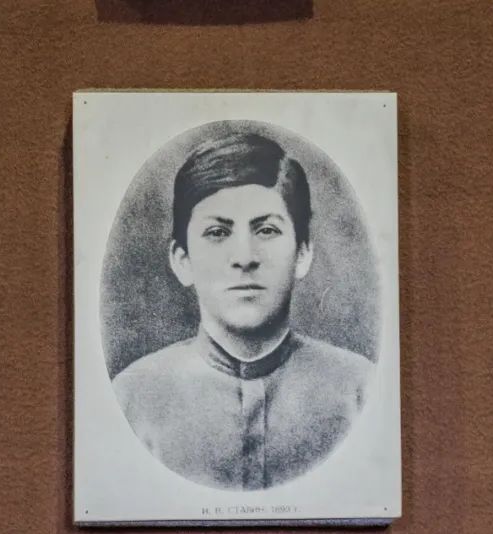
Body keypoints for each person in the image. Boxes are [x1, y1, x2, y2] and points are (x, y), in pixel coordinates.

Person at [112, 132, 374, 490]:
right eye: (217, 232)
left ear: (302, 253)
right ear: (182, 260)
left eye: (266, 230)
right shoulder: (131, 399)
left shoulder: (361, 391)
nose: (245, 257)